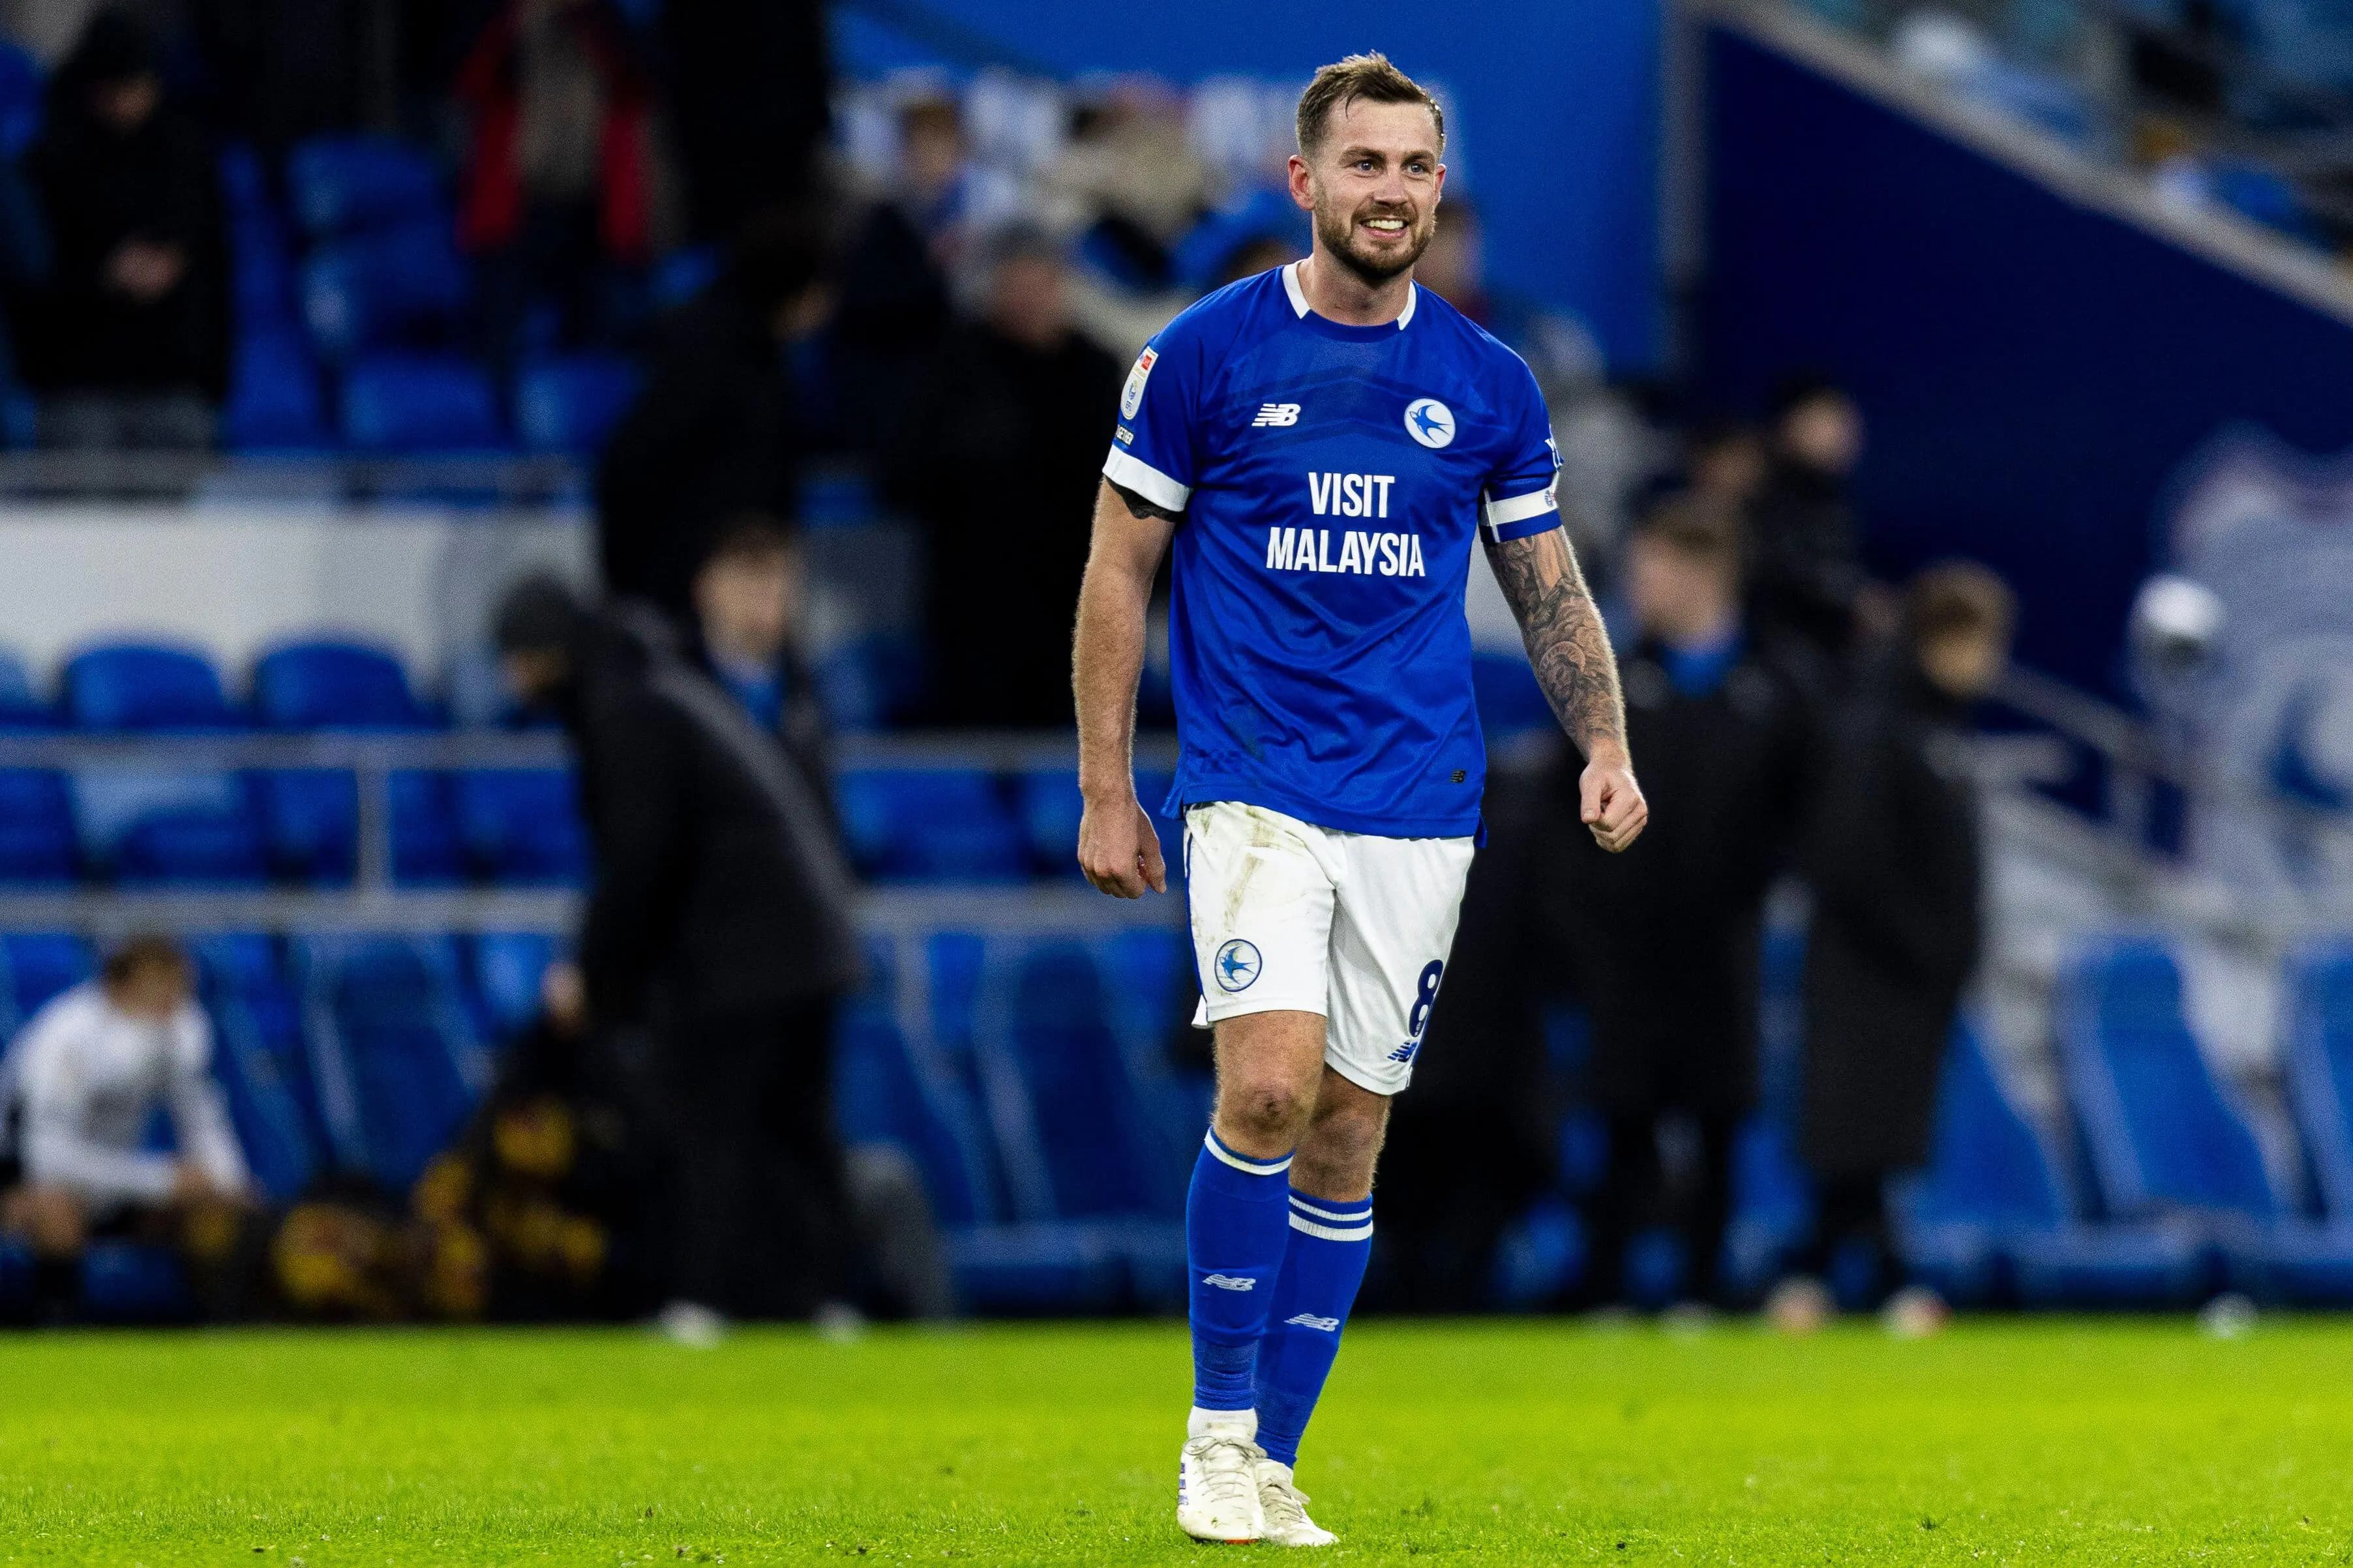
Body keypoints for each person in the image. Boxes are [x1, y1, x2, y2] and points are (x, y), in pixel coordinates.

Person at [1070, 53, 1647, 1548]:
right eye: (1363, 165)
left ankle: (1273, 1456)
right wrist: (1105, 784)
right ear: (1302, 185)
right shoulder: (1196, 358)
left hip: (1416, 800)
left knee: (1344, 1132)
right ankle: (1209, 1436)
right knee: (1261, 1087)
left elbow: (1546, 583)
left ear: (1433, 191)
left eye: (1413, 169)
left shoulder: (1487, 380)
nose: (1390, 191)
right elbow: (1117, 571)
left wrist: (1605, 739)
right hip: (1253, 787)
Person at [492, 576, 862, 1333]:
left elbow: (639, 861)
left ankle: (703, 1296)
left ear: (537, 656)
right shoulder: (666, 683)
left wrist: (597, 977)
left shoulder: (624, 711)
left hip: (742, 945)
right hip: (809, 934)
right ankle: (825, 1298)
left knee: (707, 1120)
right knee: (794, 1127)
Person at [1546, 506, 1813, 1312]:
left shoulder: (1775, 688)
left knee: (1718, 1120)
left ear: (1701, 574)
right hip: (1624, 947)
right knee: (1622, 1115)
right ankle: (1606, 1285)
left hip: (1722, 946)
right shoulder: (1612, 684)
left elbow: (1800, 814)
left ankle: (1703, 1284)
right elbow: (1564, 822)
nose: (1632, 589)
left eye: (1649, 570)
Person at [1773, 561, 2015, 1335]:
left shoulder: (1937, 726)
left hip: (1909, 977)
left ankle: (1818, 1277)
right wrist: (1923, 946)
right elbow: (1848, 857)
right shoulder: (1878, 727)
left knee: (1871, 1140)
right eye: (1976, 641)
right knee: (1860, 1132)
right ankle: (1871, 1279)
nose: (1987, 661)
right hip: (1866, 974)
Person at [885, 222, 1122, 728]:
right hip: (975, 605)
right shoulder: (953, 365)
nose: (1031, 297)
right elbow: (902, 473)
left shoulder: (1095, 370)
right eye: (1017, 282)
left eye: (1043, 280)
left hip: (1071, 605)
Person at [595, 208, 829, 625]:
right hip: (687, 597)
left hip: (733, 590)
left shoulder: (759, 358)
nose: (827, 311)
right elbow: (631, 465)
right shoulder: (710, 357)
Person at [0, 935, 251, 1320]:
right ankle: (56, 1329)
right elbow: (46, 1159)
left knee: (217, 1212)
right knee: (56, 1210)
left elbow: (203, 1120)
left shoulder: (182, 1029)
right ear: (118, 987)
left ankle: (217, 1332)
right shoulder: (62, 1039)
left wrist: (228, 1181)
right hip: (24, 1183)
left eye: (178, 995)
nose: (171, 1009)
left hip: (114, 1183)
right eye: (159, 996)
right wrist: (162, 1181)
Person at [14, 7, 228, 450]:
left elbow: (213, 269)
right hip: (78, 379)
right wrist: (103, 278)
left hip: (171, 376)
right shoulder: (48, 166)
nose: (127, 101)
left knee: (183, 437)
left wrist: (171, 266)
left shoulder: (185, 158)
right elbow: (31, 283)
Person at [455, 0, 662, 365]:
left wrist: (591, 22)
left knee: (595, 341)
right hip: (517, 208)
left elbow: (641, 85)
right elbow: (470, 84)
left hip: (590, 208)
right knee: (501, 337)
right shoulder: (505, 24)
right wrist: (521, 23)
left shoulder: (607, 26)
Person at [1745, 377, 1872, 666]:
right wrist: (1856, 599)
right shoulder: (1768, 502)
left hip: (1828, 655)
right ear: (1789, 427)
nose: (1841, 433)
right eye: (1826, 422)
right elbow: (1785, 574)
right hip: (1778, 657)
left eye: (1844, 422)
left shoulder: (1833, 502)